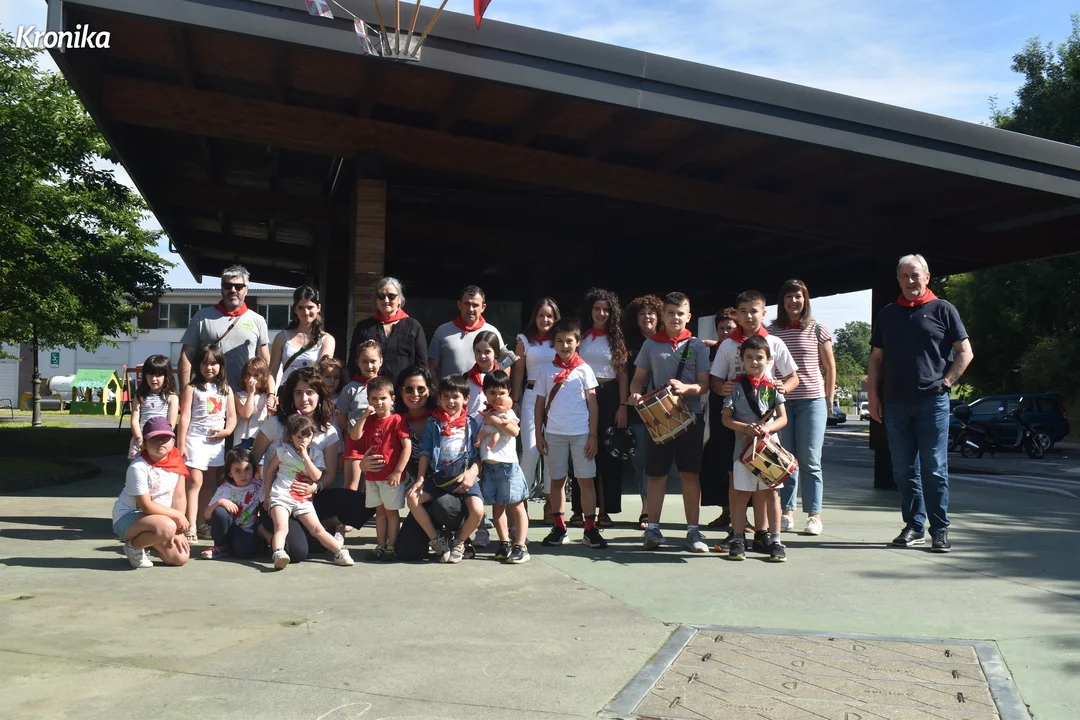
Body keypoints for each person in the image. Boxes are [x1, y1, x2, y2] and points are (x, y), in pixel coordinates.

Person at [868, 254, 973, 553]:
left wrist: (947, 382)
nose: (910, 281)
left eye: (915, 275)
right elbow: (876, 359)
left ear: (927, 276)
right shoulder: (888, 314)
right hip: (895, 403)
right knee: (902, 469)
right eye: (904, 276)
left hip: (932, 402)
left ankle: (939, 529)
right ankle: (914, 525)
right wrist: (873, 396)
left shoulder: (943, 310)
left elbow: (965, 352)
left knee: (934, 467)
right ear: (898, 280)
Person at [710, 290, 800, 551]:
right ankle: (737, 533)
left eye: (754, 311)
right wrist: (723, 389)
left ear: (764, 312)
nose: (749, 316)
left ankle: (764, 534)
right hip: (738, 422)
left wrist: (783, 389)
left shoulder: (774, 342)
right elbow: (716, 381)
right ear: (737, 314)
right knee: (738, 481)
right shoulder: (728, 345)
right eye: (743, 311)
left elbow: (793, 377)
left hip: (767, 426)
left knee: (767, 485)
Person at [628, 293, 711, 552]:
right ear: (662, 316)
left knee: (690, 474)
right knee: (655, 474)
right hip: (658, 418)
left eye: (680, 313)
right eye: (670, 313)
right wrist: (635, 394)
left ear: (689, 317)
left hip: (690, 418)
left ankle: (693, 531)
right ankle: (652, 528)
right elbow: (638, 379)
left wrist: (686, 388)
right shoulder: (651, 344)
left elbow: (704, 385)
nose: (675, 317)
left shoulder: (697, 345)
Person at [250, 367, 343, 563]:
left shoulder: (329, 432)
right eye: (298, 392)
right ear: (291, 396)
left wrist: (315, 487)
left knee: (353, 503)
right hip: (276, 498)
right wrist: (259, 494)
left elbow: (329, 474)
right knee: (298, 552)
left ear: (320, 395)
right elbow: (253, 459)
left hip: (306, 500)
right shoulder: (275, 424)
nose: (304, 398)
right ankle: (263, 529)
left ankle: (322, 527)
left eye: (310, 392)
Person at [770, 280, 836, 536]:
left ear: (805, 299)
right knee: (786, 459)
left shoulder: (818, 329)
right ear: (782, 301)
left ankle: (814, 515)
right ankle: (786, 513)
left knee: (810, 459)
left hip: (812, 401)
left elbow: (829, 366)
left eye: (798, 296)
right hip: (782, 402)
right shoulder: (772, 330)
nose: (793, 301)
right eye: (788, 296)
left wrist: (829, 397)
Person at [535, 318, 605, 550]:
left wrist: (593, 435)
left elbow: (593, 404)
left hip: (581, 434)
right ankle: (559, 527)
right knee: (557, 480)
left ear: (577, 342)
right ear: (553, 343)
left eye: (569, 341)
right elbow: (539, 404)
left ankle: (590, 529)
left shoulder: (585, 370)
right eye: (559, 341)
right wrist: (539, 435)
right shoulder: (546, 371)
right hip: (554, 434)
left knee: (586, 481)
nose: (564, 346)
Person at [721, 335, 789, 562]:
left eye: (759, 357)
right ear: (741, 359)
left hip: (769, 450)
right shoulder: (735, 387)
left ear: (769, 360)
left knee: (772, 493)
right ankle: (738, 538)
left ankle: (776, 540)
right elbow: (726, 419)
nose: (754, 362)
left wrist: (767, 428)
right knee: (741, 494)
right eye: (749, 357)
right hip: (744, 451)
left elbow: (783, 418)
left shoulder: (773, 387)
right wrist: (744, 427)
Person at [410, 374, 485, 564]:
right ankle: (437, 540)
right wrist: (420, 479)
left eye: (455, 397)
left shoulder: (471, 424)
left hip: (464, 477)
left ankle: (459, 541)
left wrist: (472, 473)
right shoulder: (433, 423)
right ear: (439, 398)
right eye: (446, 397)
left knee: (477, 510)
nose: (450, 401)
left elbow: (479, 457)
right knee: (412, 498)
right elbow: (425, 453)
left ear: (466, 399)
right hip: (439, 477)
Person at [262, 413, 354, 569]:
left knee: (317, 529)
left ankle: (340, 551)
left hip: (303, 499)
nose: (303, 440)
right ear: (291, 438)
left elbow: (317, 476)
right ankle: (278, 553)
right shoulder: (283, 451)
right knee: (282, 527)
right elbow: (270, 471)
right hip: (280, 495)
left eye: (307, 436)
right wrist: (267, 496)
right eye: (298, 437)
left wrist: (305, 456)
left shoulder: (316, 455)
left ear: (312, 436)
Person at [573, 288, 629, 528]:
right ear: (590, 310)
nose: (601, 313)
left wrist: (623, 405)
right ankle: (578, 510)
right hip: (580, 395)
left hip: (609, 396)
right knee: (581, 449)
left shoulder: (617, 339)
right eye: (597, 308)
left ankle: (605, 511)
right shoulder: (580, 336)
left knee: (607, 454)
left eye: (606, 309)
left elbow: (623, 374)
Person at [623, 294, 678, 530]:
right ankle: (647, 509)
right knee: (640, 461)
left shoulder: (671, 341)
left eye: (651, 313)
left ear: (659, 317)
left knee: (661, 462)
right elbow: (626, 378)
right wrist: (624, 405)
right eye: (642, 313)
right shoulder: (628, 345)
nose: (646, 317)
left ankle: (654, 509)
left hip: (667, 409)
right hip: (638, 408)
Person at [112, 417, 191, 568]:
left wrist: (179, 531)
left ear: (173, 441)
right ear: (145, 443)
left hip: (162, 521)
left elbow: (179, 497)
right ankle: (133, 547)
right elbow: (146, 506)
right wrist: (177, 517)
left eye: (165, 438)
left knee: (180, 558)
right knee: (166, 527)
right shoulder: (138, 468)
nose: (160, 442)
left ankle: (150, 542)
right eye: (154, 438)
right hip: (128, 519)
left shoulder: (177, 463)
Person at [179, 265, 270, 393]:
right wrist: (185, 391)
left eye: (239, 287)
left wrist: (268, 393)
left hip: (245, 396)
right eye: (228, 286)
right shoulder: (202, 317)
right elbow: (187, 355)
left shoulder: (258, 320)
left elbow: (264, 361)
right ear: (222, 289)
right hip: (208, 395)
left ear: (246, 290)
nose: (233, 290)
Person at [177, 343, 236, 543]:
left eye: (213, 363)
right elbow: (185, 417)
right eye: (204, 363)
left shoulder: (226, 390)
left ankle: (202, 523)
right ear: (197, 365)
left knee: (207, 485)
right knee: (194, 482)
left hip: (216, 444)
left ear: (221, 365)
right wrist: (181, 444)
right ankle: (190, 526)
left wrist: (226, 431)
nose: (208, 367)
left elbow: (232, 417)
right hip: (194, 440)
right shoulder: (191, 388)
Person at [351, 376, 412, 561]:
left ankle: (391, 546)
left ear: (392, 399)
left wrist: (398, 472)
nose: (378, 403)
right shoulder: (369, 420)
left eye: (383, 398)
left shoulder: (396, 420)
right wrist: (364, 415)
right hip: (372, 477)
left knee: (391, 513)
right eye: (374, 399)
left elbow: (407, 447)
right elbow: (355, 436)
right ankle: (380, 545)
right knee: (379, 513)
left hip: (390, 478)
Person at [511, 297, 560, 524]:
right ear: (535, 317)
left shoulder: (560, 339)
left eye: (550, 316)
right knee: (531, 450)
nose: (545, 320)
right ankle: (521, 501)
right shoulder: (524, 340)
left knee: (551, 450)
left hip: (556, 398)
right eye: (541, 315)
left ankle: (551, 503)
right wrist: (515, 399)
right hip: (531, 397)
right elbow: (518, 372)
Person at [477, 370, 530, 563]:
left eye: (501, 392)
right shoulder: (483, 414)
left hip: (508, 467)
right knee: (497, 508)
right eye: (492, 392)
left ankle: (520, 545)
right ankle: (504, 541)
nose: (497, 397)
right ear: (485, 393)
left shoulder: (508, 412)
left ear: (509, 393)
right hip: (490, 468)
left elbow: (514, 431)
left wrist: (495, 420)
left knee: (516, 505)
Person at [350, 277, 428, 383]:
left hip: (403, 390)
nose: (386, 300)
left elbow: (422, 365)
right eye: (381, 296)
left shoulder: (413, 327)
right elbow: (352, 364)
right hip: (370, 390)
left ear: (399, 299)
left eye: (391, 296)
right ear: (376, 300)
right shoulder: (364, 327)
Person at [702, 309, 739, 528]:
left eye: (730, 328)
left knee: (741, 464)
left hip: (741, 412)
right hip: (717, 410)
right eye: (721, 328)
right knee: (721, 462)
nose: (725, 332)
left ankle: (742, 517)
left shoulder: (744, 348)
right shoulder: (712, 350)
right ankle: (726, 512)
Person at [337, 339, 384, 492]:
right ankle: (348, 508)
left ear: (381, 361)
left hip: (377, 442)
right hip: (355, 443)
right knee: (351, 485)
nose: (369, 366)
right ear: (358, 363)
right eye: (364, 361)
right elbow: (342, 417)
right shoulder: (350, 388)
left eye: (373, 361)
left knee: (375, 485)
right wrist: (352, 432)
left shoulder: (385, 388)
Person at [428, 285, 504, 378]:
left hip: (483, 388)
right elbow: (432, 368)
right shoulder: (442, 331)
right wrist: (437, 387)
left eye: (475, 305)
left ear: (483, 307)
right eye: (467, 304)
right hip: (449, 387)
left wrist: (499, 385)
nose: (470, 309)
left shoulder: (492, 332)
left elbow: (506, 364)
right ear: (459, 305)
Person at [200, 447, 263, 559]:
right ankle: (220, 546)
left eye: (247, 469)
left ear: (253, 469)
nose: (243, 475)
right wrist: (220, 502)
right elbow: (207, 514)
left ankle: (231, 548)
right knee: (219, 512)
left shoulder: (258, 486)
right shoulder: (224, 489)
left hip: (248, 532)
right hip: (229, 529)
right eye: (238, 471)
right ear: (230, 473)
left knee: (243, 552)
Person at [269, 285, 335, 386]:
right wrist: (271, 393)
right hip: (287, 391)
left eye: (310, 307)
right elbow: (272, 371)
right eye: (300, 308)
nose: (306, 312)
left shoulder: (327, 339)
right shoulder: (282, 337)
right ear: (295, 309)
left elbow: (325, 371)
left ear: (318, 308)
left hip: (313, 391)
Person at [128, 354, 179, 460]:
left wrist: (161, 440)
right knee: (137, 465)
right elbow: (134, 421)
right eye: (150, 374)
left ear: (166, 376)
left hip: (161, 440)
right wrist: (139, 439)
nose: (154, 379)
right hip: (141, 438)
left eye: (158, 375)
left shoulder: (172, 397)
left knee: (161, 466)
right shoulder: (140, 396)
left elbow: (171, 424)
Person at [233, 357, 273, 451]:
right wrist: (251, 393)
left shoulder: (266, 396)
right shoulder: (238, 396)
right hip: (242, 441)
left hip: (261, 440)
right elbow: (246, 415)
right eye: (249, 375)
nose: (251, 378)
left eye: (256, 375)